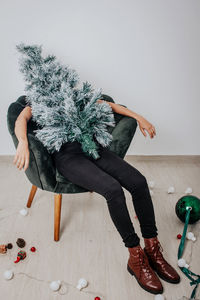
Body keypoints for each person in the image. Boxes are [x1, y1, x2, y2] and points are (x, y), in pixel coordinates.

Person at [13, 97, 180, 295]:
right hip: (67, 157)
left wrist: (139, 117)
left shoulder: (76, 97)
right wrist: (23, 142)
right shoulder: (41, 102)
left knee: (139, 182)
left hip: (92, 148)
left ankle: (152, 250)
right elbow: (21, 119)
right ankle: (136, 257)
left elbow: (109, 105)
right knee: (113, 190)